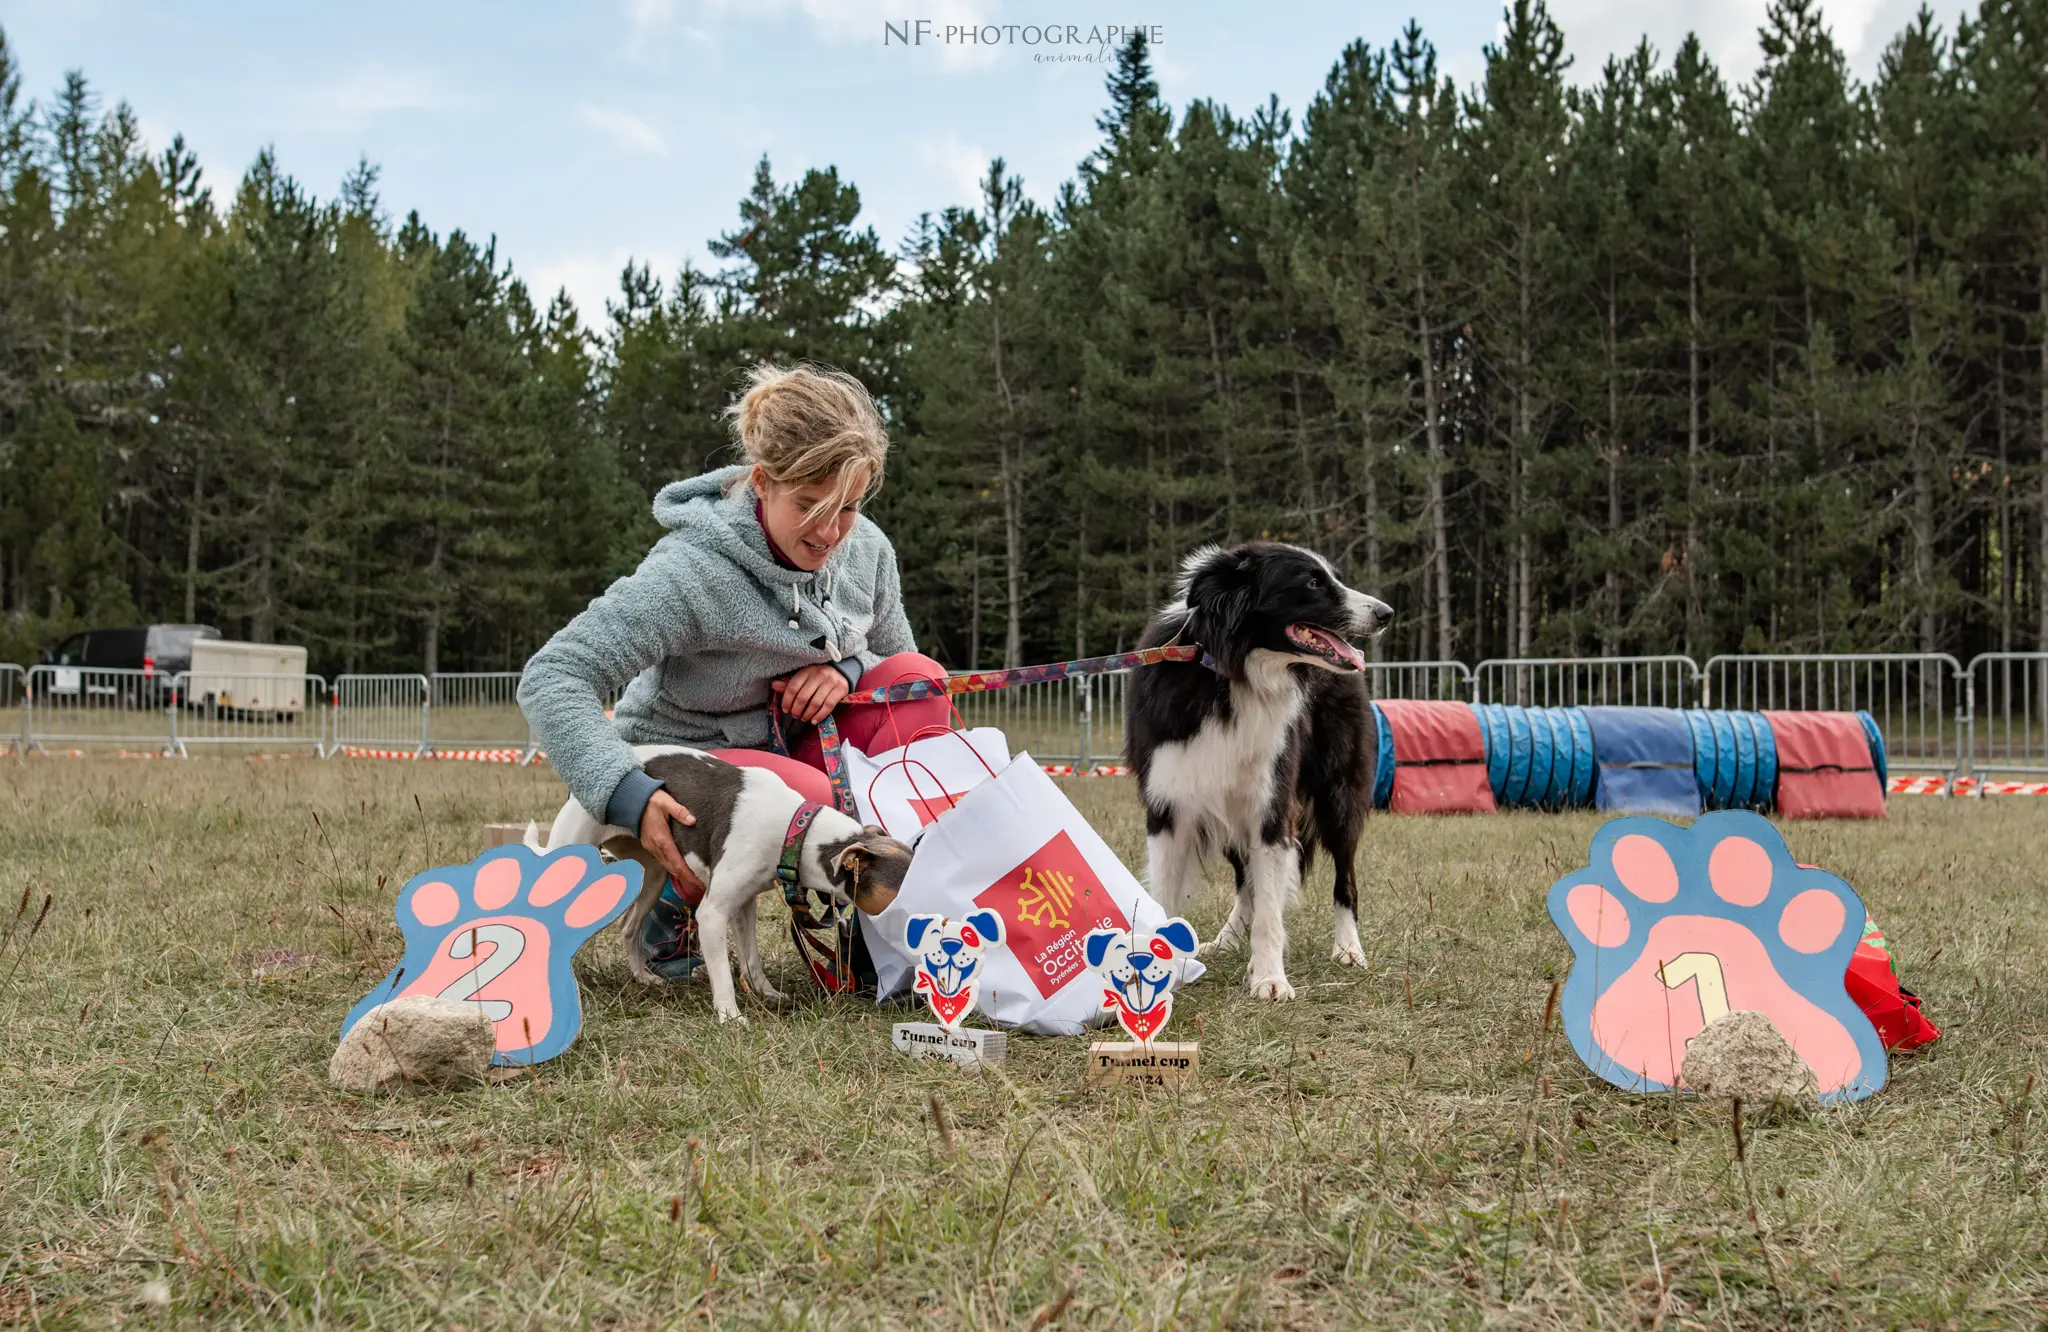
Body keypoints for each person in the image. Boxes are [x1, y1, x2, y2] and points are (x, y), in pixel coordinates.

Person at [518, 361, 948, 979]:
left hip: (787, 747)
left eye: (848, 506)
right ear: (763, 482)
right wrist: (628, 792)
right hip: (692, 766)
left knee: (922, 686)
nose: (830, 531)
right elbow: (553, 676)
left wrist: (848, 669)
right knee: (806, 804)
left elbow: (897, 664)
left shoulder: (869, 550)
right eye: (808, 504)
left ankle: (888, 919)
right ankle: (677, 904)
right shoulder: (690, 573)